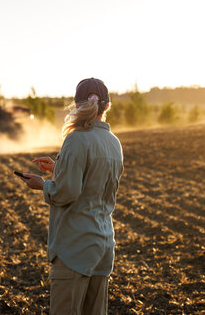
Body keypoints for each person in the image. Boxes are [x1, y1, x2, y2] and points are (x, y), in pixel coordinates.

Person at [17, 78, 124, 315]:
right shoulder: (114, 143)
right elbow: (93, 181)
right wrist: (58, 169)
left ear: (76, 105)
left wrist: (42, 185)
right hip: (104, 245)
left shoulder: (75, 139)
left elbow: (68, 192)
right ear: (107, 106)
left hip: (75, 247)